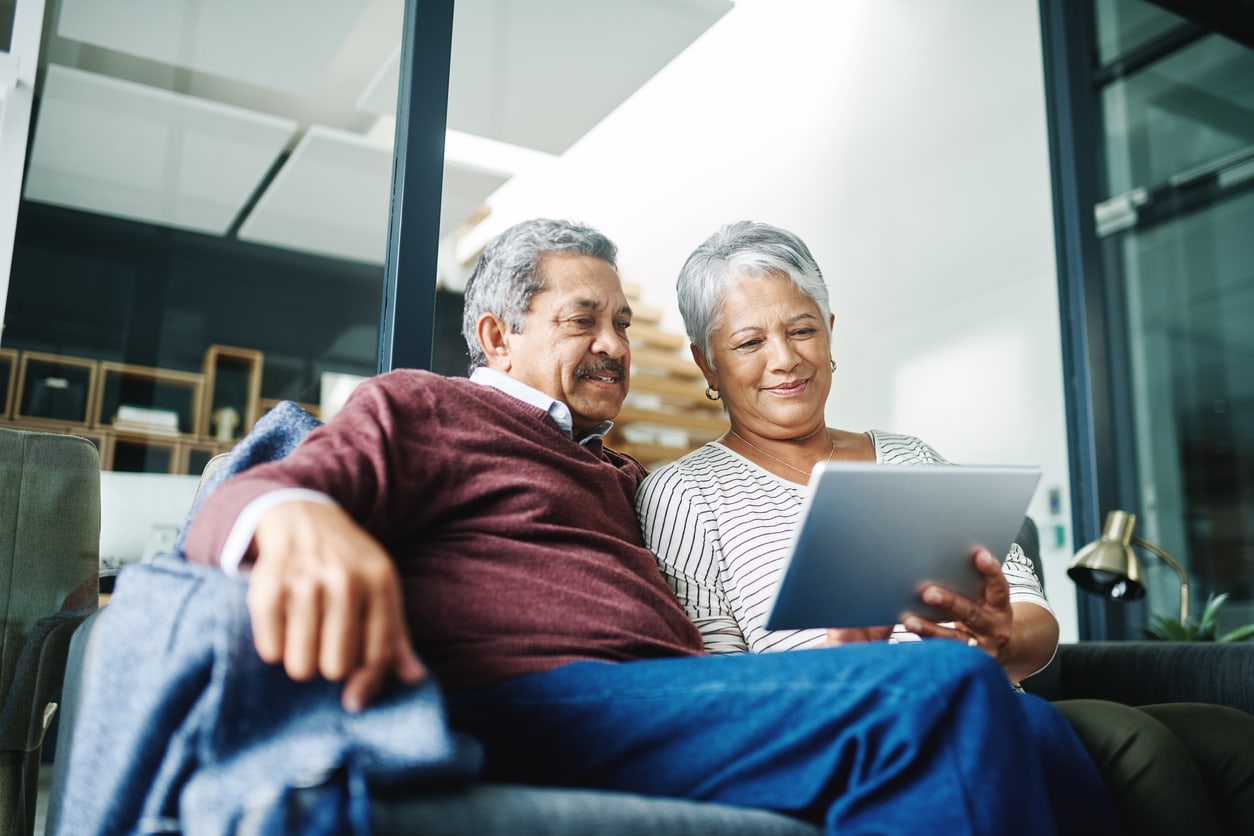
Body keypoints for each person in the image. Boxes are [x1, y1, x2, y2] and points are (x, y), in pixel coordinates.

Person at [184, 217, 1121, 834]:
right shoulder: (425, 407)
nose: (616, 347)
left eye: (625, 324)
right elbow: (246, 493)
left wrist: (842, 651)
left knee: (1009, 719)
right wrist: (299, 519)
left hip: (666, 700)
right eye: (584, 319)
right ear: (497, 336)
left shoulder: (613, 472)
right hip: (533, 698)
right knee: (949, 687)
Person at [636, 219, 1254, 836]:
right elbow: (714, 687)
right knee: (1137, 745)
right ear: (706, 363)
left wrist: (998, 639)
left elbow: (1036, 626)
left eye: (802, 329)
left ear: (829, 333)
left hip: (985, 701)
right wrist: (841, 665)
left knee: (1229, 736)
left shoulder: (910, 458)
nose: (786, 359)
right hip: (864, 733)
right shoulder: (684, 493)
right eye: (749, 343)